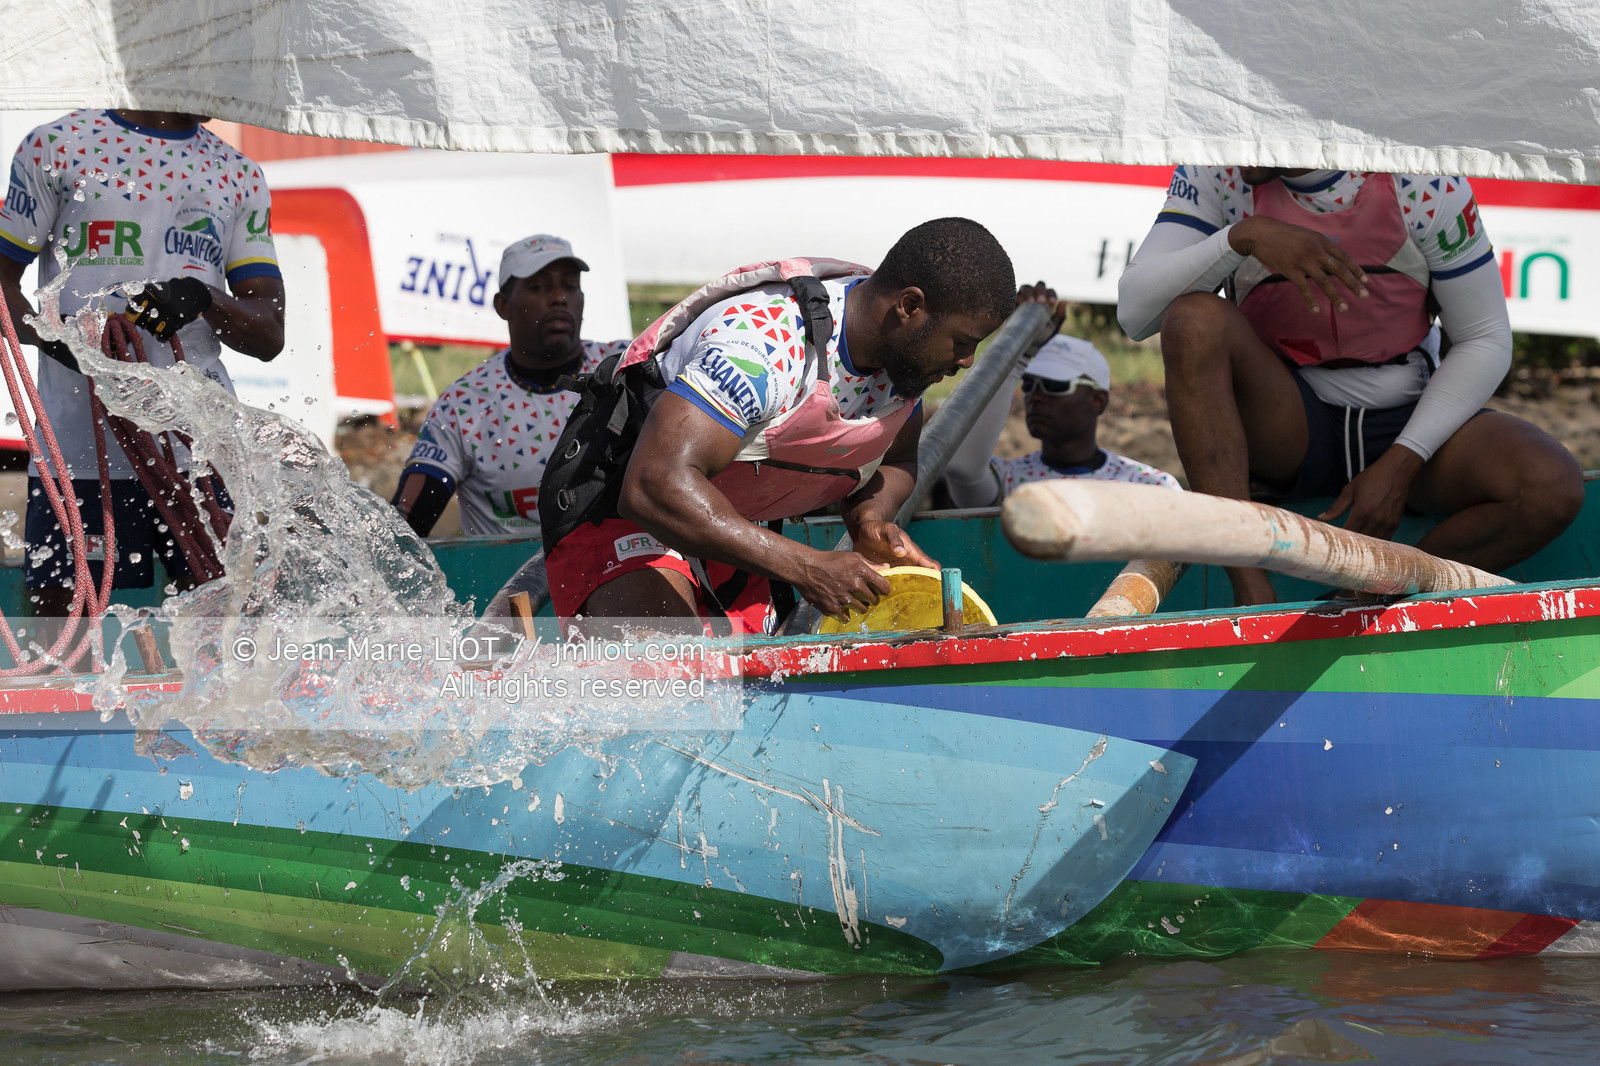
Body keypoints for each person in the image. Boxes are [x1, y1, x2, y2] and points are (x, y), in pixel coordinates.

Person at [1117, 166, 1583, 605]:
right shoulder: (1218, 169)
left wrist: (1402, 462)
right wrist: (1242, 238)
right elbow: (1135, 314)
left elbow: (1487, 338)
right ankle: (1253, 593)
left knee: (1549, 487)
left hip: (1408, 417)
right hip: (1290, 426)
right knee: (1191, 320)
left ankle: (1369, 600)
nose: (1233, 143)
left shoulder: (1420, 177)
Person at [542, 217, 1017, 633]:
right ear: (909, 307)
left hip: (727, 523)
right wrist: (809, 567)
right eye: (961, 341)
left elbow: (896, 458)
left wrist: (869, 520)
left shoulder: (906, 359)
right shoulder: (763, 346)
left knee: (755, 698)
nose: (967, 360)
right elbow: (653, 485)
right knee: (680, 684)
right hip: (620, 503)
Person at [0, 109, 284, 616]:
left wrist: (201, 297)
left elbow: (269, 332)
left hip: (200, 457)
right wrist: (60, 340)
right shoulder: (57, 146)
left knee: (233, 639)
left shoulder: (240, 173)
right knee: (68, 647)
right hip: (79, 457)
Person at [391, 235, 628, 539]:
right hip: (507, 584)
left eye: (570, 286)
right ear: (503, 305)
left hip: (615, 574)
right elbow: (404, 525)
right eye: (539, 287)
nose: (559, 298)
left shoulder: (624, 368)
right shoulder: (463, 404)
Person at [945, 328, 1180, 508]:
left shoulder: (1151, 486)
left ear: (1098, 400)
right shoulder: (1008, 479)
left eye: (1053, 384)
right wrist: (1014, 362)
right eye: (1028, 383)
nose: (1035, 396)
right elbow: (961, 468)